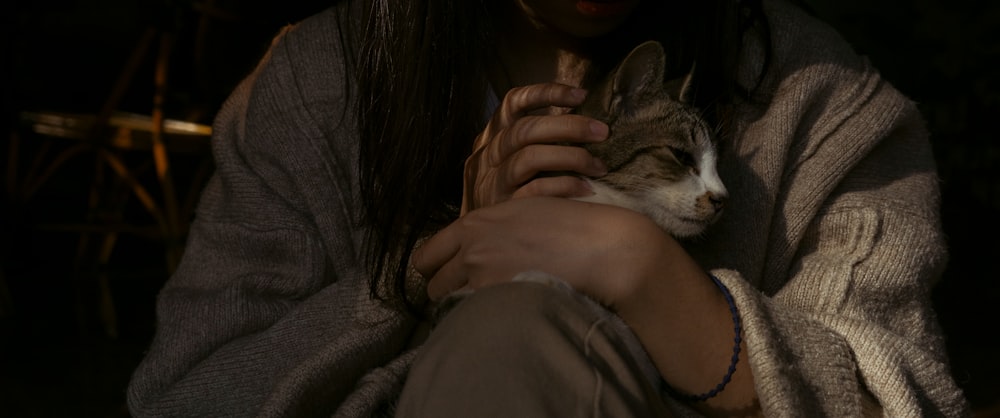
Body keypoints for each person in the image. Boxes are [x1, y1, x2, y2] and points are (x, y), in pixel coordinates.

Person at [126, 0, 970, 416]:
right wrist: (421, 279)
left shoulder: (821, 98)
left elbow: (907, 395)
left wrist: (646, 275)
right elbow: (184, 399)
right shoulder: (321, 84)